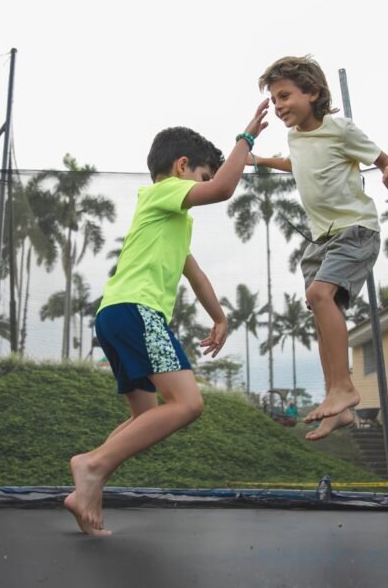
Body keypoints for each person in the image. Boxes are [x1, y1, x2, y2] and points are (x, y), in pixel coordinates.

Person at [64, 100, 270, 535]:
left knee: (145, 415)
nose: (202, 186)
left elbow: (194, 276)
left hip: (115, 314)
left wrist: (220, 317)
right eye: (200, 175)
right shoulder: (163, 192)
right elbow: (224, 190)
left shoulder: (168, 219)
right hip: (139, 312)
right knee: (188, 404)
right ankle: (93, 466)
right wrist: (245, 139)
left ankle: (90, 485)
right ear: (181, 167)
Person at [252, 55, 388, 441]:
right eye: (274, 99)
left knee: (321, 294)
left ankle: (344, 389)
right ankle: (338, 405)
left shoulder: (340, 129)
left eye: (284, 95)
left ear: (313, 92)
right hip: (322, 239)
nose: (279, 105)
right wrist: (258, 160)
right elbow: (298, 164)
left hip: (355, 230)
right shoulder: (295, 137)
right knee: (323, 312)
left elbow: (386, 160)